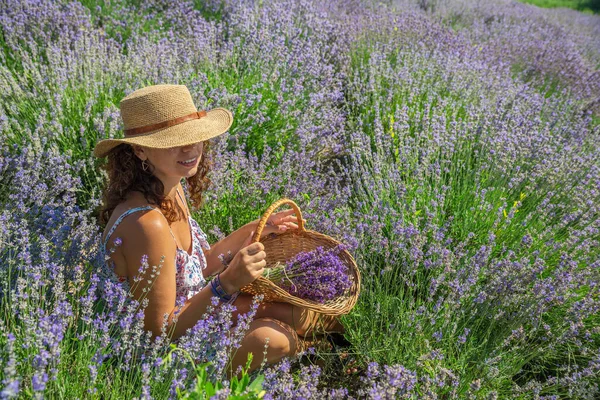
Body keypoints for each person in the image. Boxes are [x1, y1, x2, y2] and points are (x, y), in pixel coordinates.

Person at [93, 84, 344, 375]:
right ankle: (315, 350)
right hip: (158, 356)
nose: (190, 148)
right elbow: (159, 333)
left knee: (299, 313)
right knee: (272, 338)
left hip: (195, 311)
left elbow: (198, 265)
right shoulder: (147, 224)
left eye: (194, 137)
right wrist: (227, 282)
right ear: (140, 150)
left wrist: (254, 231)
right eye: (173, 141)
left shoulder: (169, 189)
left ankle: (342, 341)